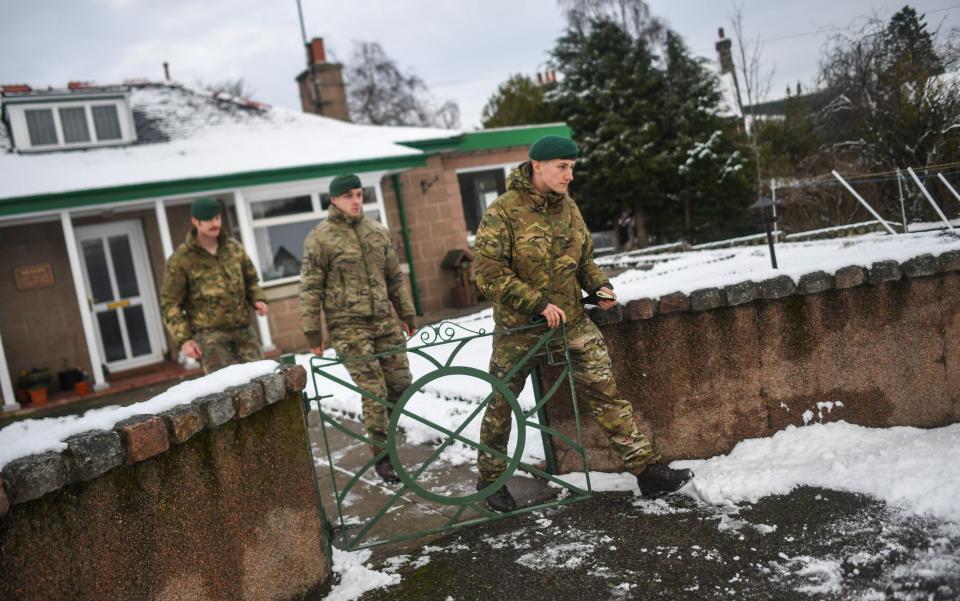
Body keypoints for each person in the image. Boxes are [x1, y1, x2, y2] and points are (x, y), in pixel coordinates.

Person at [473, 135, 694, 512]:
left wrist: (599, 285)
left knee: (605, 392)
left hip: (571, 322)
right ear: (537, 166)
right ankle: (491, 481)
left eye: (572, 167)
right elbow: (488, 273)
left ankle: (648, 471)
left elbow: (585, 259)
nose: (569, 175)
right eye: (562, 167)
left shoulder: (569, 209)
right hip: (519, 330)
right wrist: (536, 303)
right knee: (501, 402)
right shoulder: (503, 212)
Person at [299, 174, 417, 483]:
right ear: (334, 200)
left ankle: (387, 434)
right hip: (348, 326)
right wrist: (313, 334)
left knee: (401, 384)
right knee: (374, 391)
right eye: (349, 196)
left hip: (383, 321)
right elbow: (311, 288)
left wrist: (407, 314)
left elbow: (394, 277)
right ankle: (382, 455)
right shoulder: (320, 239)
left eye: (359, 194)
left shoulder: (377, 232)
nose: (355, 201)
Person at [160, 197, 269, 374]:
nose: (215, 223)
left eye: (217, 218)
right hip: (210, 337)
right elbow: (170, 303)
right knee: (225, 390)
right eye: (209, 219)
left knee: (263, 379)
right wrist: (184, 340)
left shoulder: (234, 248)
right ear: (195, 221)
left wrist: (258, 299)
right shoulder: (181, 259)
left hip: (243, 330)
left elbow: (251, 281)